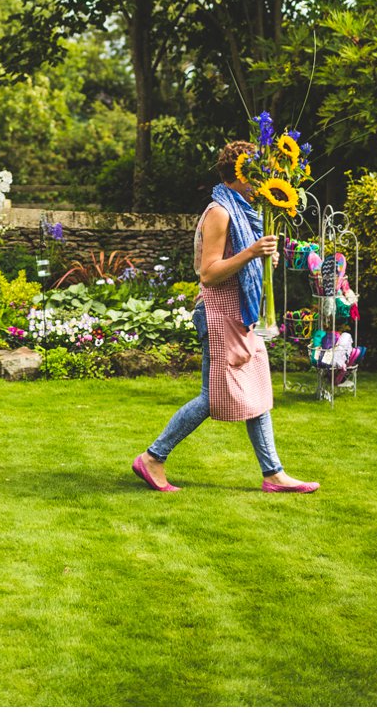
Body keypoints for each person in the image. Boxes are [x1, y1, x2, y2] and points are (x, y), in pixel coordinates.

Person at [131, 139, 318, 493]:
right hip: (219, 315)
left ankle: (273, 474)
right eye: (257, 174)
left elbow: (238, 262)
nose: (263, 182)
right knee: (211, 398)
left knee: (259, 392)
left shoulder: (244, 210)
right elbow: (208, 273)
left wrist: (263, 259)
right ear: (241, 174)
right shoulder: (220, 211)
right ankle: (153, 457)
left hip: (239, 314)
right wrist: (250, 253)